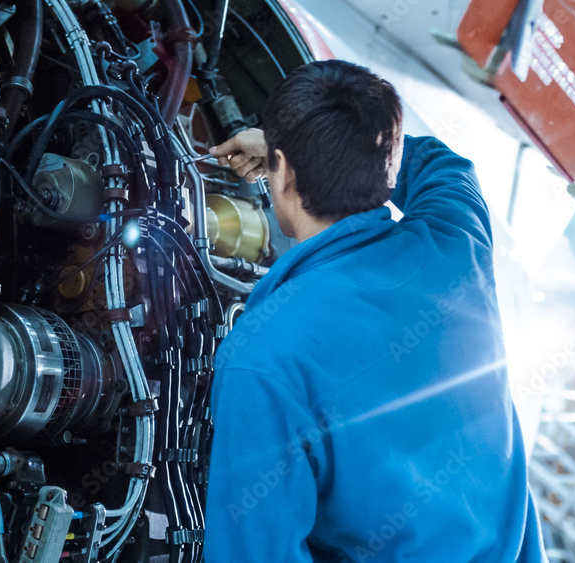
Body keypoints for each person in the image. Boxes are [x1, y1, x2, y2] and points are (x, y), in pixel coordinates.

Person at [204, 60, 546, 562]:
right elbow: (441, 163)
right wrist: (348, 150)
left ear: (283, 173)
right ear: (387, 163)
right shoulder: (456, 245)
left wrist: (305, 150)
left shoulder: (262, 359)